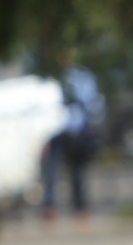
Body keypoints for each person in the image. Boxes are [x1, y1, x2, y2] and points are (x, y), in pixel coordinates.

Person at [42, 60, 104, 220]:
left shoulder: (83, 77)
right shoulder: (52, 77)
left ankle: (80, 208)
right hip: (56, 128)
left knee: (77, 172)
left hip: (76, 129)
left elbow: (92, 103)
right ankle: (49, 207)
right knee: (52, 170)